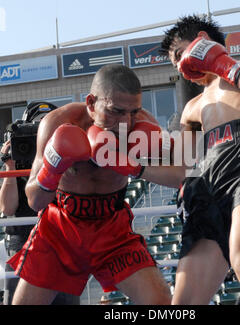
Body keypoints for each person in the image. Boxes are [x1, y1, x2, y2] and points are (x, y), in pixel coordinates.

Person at [151, 14, 240, 305]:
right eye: (175, 64)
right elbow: (184, 167)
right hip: (207, 182)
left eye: (180, 55)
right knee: (184, 302)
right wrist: (134, 165)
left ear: (201, 39)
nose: (180, 66)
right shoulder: (193, 107)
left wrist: (218, 61)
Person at [7, 64, 171, 305]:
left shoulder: (143, 126)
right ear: (92, 103)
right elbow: (34, 199)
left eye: (133, 112)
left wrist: (136, 167)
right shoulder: (57, 123)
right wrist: (53, 169)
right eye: (115, 111)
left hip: (113, 231)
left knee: (159, 302)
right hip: (59, 231)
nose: (125, 122)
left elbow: (182, 173)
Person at [0, 102, 79, 305]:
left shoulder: (66, 156)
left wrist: (63, 159)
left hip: (60, 245)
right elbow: (7, 209)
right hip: (22, 245)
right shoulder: (17, 159)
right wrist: (10, 165)